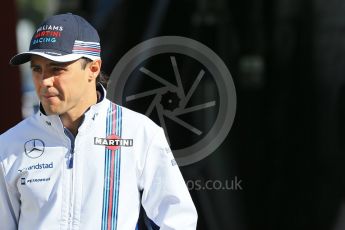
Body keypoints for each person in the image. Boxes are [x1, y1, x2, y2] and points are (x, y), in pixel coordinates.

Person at [0, 13, 197, 230]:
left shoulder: (141, 134)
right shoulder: (9, 145)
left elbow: (178, 221)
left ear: (93, 69)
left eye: (57, 69)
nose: (45, 81)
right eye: (37, 69)